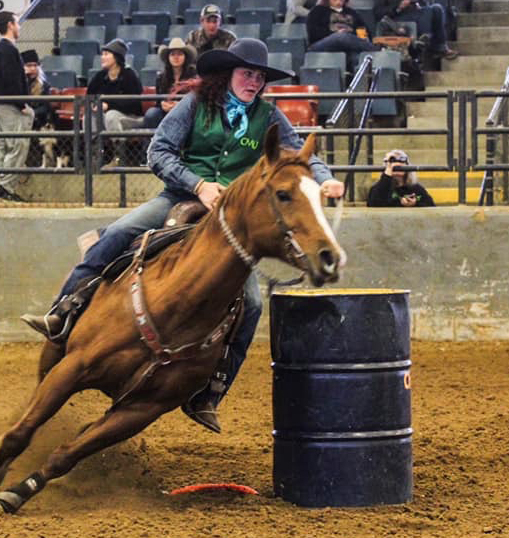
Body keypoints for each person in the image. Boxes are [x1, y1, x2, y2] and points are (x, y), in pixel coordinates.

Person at [22, 38, 346, 434]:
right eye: (247, 73)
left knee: (253, 303)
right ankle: (64, 311)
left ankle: (211, 389)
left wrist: (326, 180)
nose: (254, 82)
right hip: (181, 198)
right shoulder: (195, 105)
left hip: (232, 222)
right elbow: (159, 151)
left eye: (260, 77)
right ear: (229, 74)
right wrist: (198, 185)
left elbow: (304, 157)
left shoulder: (270, 118)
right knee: (120, 232)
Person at [0, 11, 33, 202]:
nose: (20, 26)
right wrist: (21, 103)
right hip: (10, 105)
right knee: (17, 144)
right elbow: (11, 79)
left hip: (4, 104)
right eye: (18, 23)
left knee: (6, 146)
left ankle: (3, 187)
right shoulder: (7, 49)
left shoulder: (2, 49)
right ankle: (5, 188)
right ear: (10, 25)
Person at [87, 38, 144, 168]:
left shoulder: (130, 75)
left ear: (117, 57)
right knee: (88, 117)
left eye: (107, 54)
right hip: (106, 116)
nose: (102, 57)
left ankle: (119, 158)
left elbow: (134, 104)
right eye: (102, 54)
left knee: (111, 115)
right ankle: (96, 156)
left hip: (131, 118)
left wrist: (108, 105)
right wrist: (94, 104)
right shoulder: (100, 76)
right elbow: (90, 96)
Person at [306, 0, 381, 69]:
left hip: (349, 44)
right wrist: (335, 33)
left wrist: (361, 36)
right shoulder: (317, 10)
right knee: (341, 37)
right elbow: (313, 32)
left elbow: (363, 29)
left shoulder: (352, 12)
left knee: (357, 57)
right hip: (323, 43)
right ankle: (376, 51)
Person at [143, 38, 198, 129]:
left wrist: (179, 105)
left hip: (187, 111)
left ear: (185, 57)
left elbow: (196, 100)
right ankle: (153, 142)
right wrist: (163, 105)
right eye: (172, 54)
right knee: (151, 113)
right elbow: (158, 101)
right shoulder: (161, 77)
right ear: (168, 58)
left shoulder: (193, 74)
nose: (176, 57)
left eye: (180, 54)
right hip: (166, 111)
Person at [375, 0, 458, 60]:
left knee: (437, 9)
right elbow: (378, 12)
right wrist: (400, 6)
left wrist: (418, 3)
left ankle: (440, 47)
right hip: (398, 19)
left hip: (418, 14)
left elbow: (424, 4)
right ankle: (424, 39)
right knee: (426, 13)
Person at [367, 150, 435, 207]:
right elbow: (374, 203)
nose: (397, 164)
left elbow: (431, 206)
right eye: (393, 161)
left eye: (400, 161)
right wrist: (387, 174)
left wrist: (415, 204)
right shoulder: (379, 188)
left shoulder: (416, 188)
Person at [21, 49, 55, 130]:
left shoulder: (43, 85)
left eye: (35, 65)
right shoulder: (17, 85)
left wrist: (32, 112)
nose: (33, 68)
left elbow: (46, 107)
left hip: (39, 121)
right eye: (29, 65)